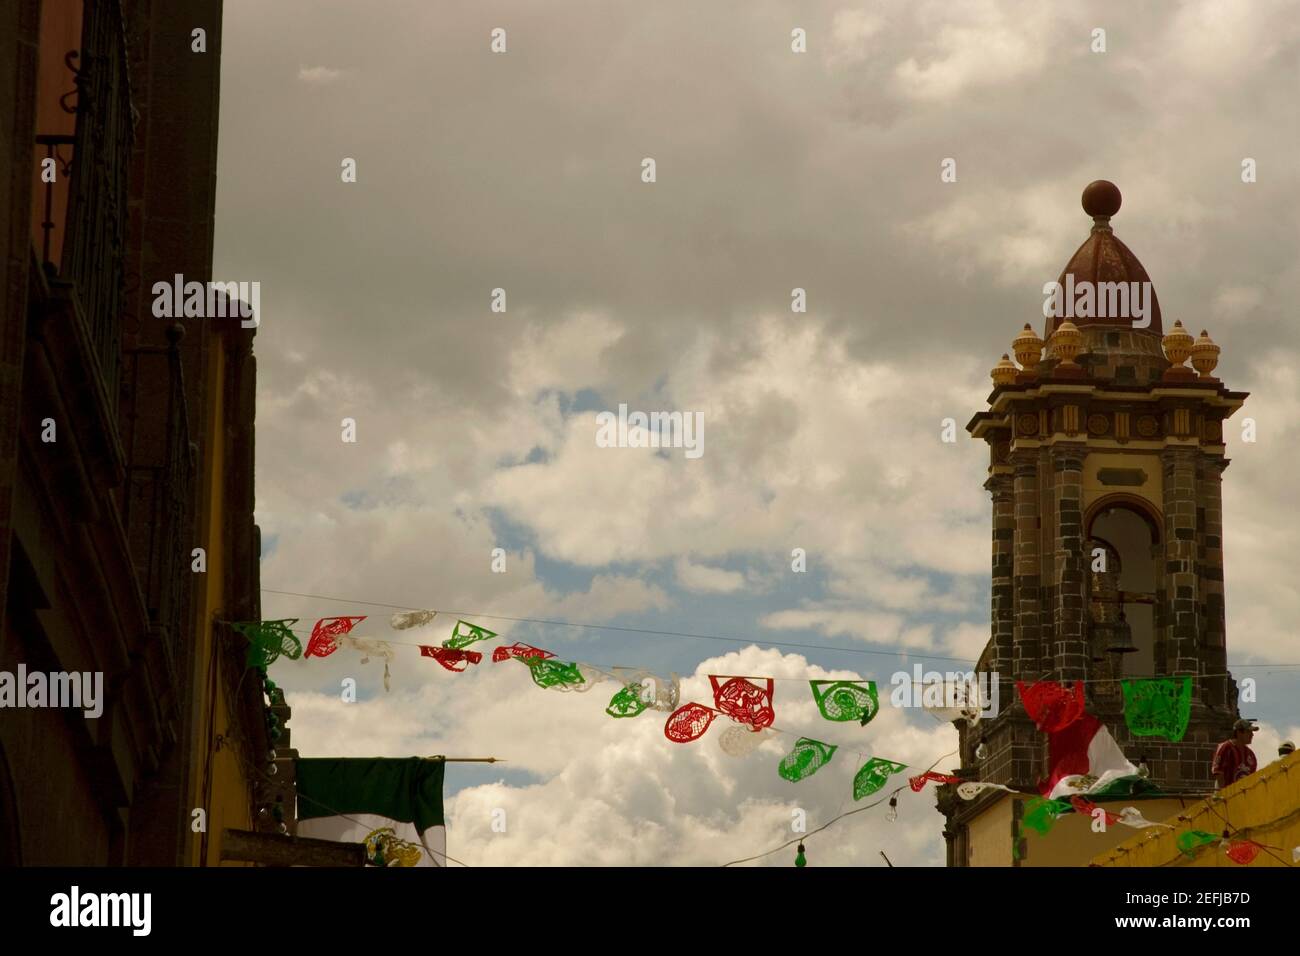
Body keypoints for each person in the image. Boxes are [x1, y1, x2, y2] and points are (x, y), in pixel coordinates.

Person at [1211, 718, 1258, 789]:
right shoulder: (1225, 748)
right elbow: (1218, 774)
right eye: (1248, 732)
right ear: (1239, 732)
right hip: (1227, 796)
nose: (1252, 735)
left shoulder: (1251, 754)